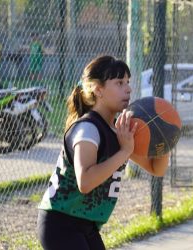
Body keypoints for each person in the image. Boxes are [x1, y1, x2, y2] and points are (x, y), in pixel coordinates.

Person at [37, 55, 170, 250]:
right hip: (60, 223)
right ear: (98, 89)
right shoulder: (88, 130)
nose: (128, 88)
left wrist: (163, 140)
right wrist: (125, 151)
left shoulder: (118, 131)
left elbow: (155, 168)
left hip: (86, 225)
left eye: (127, 82)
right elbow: (85, 182)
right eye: (119, 83)